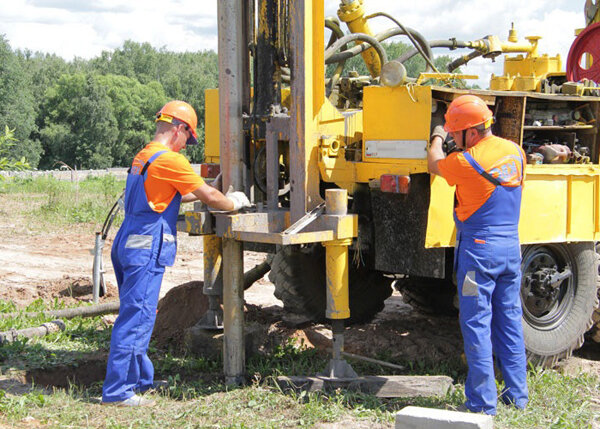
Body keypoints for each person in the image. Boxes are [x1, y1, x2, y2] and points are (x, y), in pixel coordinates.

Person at [101, 100, 250, 406]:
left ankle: (140, 380)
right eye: (188, 138)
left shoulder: (145, 156)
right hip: (146, 246)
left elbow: (162, 197)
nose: (187, 145)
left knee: (139, 313)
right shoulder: (171, 160)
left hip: (128, 241)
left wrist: (207, 187)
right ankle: (117, 391)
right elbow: (210, 198)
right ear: (179, 130)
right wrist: (233, 202)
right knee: (137, 317)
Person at [427, 94, 528, 415]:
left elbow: (432, 163)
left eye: (456, 133)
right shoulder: (516, 152)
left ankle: (482, 404)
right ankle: (518, 396)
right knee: (510, 320)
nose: (454, 138)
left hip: (478, 259)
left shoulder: (464, 162)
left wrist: (436, 137)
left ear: (470, 131)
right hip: (510, 253)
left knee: (476, 323)